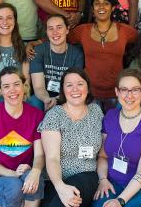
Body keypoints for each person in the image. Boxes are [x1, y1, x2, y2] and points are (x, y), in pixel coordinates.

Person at [0, 67, 45, 207]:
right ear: (0, 91)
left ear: (24, 86)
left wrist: (35, 171)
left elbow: (39, 155)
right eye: (6, 86)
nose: (12, 90)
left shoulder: (36, 116)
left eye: (16, 84)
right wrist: (12, 173)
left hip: (24, 172)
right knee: (14, 185)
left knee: (36, 179)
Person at [93, 69, 141, 207]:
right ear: (117, 92)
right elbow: (102, 156)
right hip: (113, 183)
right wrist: (102, 179)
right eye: (124, 89)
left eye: (135, 89)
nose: (129, 95)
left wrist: (120, 201)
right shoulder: (110, 116)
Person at [39, 68, 103, 207]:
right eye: (69, 85)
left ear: (87, 87)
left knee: (69, 200)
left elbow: (104, 152)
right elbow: (52, 158)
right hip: (56, 179)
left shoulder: (96, 111)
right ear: (63, 89)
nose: (75, 89)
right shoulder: (54, 115)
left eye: (80, 84)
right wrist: (60, 186)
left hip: (87, 175)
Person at [69, 0, 137, 111]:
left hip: (118, 95)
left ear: (112, 8)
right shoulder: (83, 30)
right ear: (92, 9)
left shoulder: (124, 31)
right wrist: (38, 42)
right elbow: (60, 36)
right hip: (89, 94)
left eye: (106, 3)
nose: (101, 7)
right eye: (97, 4)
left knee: (114, 129)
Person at [28, 14, 84, 111]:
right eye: (50, 28)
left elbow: (75, 86)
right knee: (34, 101)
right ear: (46, 31)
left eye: (59, 27)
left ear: (67, 30)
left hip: (69, 96)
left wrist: (57, 100)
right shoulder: (39, 51)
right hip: (44, 95)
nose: (55, 32)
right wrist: (47, 100)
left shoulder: (76, 54)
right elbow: (38, 87)